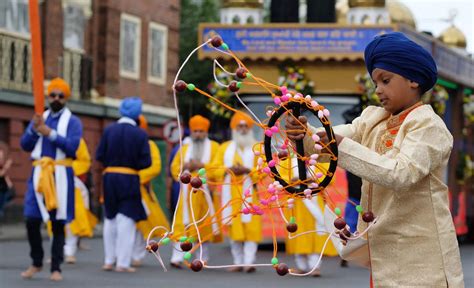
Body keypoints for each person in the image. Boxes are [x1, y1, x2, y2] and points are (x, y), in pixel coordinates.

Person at [286, 32, 464, 287]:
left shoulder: (428, 125)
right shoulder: (373, 119)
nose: (378, 89)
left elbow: (400, 173)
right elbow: (329, 142)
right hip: (384, 254)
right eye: (375, 82)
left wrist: (335, 143)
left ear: (413, 79)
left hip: (424, 257)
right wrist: (302, 135)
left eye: (385, 80)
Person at [20, 78, 83, 281]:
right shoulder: (40, 118)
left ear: (66, 98)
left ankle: (56, 267)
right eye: (52, 95)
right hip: (38, 175)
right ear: (48, 96)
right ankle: (36, 262)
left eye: (60, 95)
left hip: (60, 176)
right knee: (31, 220)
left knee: (57, 223)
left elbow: (73, 147)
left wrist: (50, 134)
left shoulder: (73, 122)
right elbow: (24, 145)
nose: (55, 98)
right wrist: (33, 129)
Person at [96, 97, 151, 273]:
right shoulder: (140, 134)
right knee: (126, 220)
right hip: (129, 178)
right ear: (137, 114)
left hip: (109, 177)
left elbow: (99, 155)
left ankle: (108, 260)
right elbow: (146, 162)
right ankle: (123, 263)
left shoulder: (108, 130)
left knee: (110, 219)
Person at [209, 112, 261, 273]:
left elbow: (264, 170)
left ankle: (249, 262)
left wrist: (247, 170)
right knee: (234, 229)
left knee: (251, 229)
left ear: (250, 128)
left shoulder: (257, 147)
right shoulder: (225, 148)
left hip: (250, 195)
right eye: (240, 126)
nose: (243, 129)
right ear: (234, 128)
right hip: (230, 195)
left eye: (246, 126)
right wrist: (228, 170)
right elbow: (213, 169)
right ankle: (238, 261)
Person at [170, 115, 220, 268]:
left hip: (204, 193)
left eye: (201, 131)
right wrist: (186, 167)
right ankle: (177, 258)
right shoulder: (183, 148)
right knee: (182, 224)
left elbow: (218, 168)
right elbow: (174, 168)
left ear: (206, 132)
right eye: (195, 131)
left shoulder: (214, 147)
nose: (198, 134)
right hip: (186, 194)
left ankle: (201, 258)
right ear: (191, 132)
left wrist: (201, 165)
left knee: (202, 226)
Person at [280, 155, 338, 277]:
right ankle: (301, 266)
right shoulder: (288, 160)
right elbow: (281, 178)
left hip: (314, 199)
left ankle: (315, 266)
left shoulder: (319, 159)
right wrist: (294, 180)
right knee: (297, 232)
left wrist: (313, 180)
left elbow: (330, 177)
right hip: (295, 203)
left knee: (315, 232)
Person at [132, 115, 170, 267]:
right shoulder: (126, 143)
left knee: (143, 223)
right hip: (125, 188)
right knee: (126, 224)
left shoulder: (150, 145)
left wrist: (135, 177)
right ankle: (122, 255)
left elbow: (155, 167)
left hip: (141, 189)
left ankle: (138, 255)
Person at [63, 138, 97, 264]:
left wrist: (66, 170)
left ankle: (70, 251)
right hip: (54, 180)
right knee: (54, 219)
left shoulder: (77, 140)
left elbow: (84, 161)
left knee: (74, 217)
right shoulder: (49, 134)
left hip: (73, 183)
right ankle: (56, 252)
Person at [0, 141, 15, 220]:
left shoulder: (2, 166)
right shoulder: (3, 167)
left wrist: (10, 185)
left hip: (3, 190)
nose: (1, 158)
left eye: (2, 157)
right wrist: (7, 166)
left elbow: (5, 177)